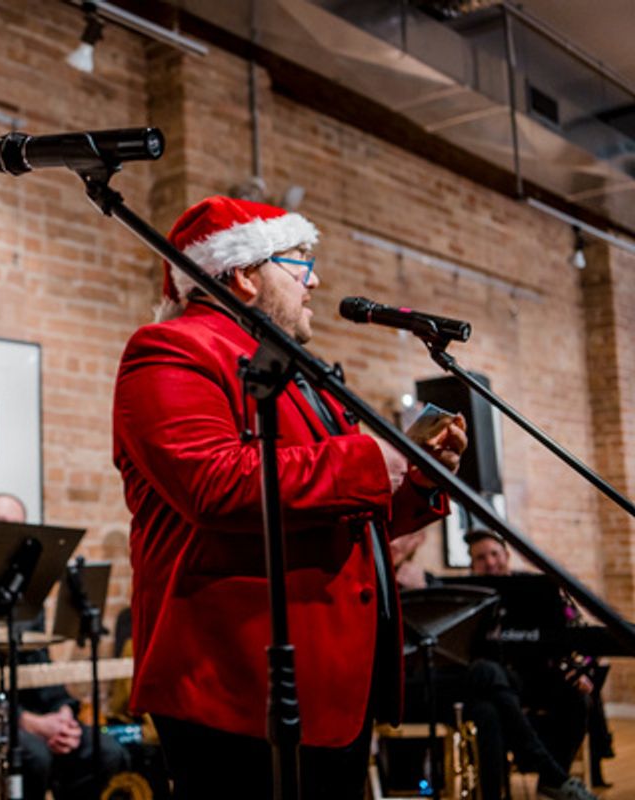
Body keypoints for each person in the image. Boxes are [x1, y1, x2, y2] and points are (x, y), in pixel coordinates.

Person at [111, 196, 468, 799]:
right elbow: (213, 484)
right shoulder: (170, 348)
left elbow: (346, 509)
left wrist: (419, 479)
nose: (316, 280)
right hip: (236, 684)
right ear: (246, 274)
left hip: (329, 684)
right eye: (301, 262)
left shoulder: (295, 369)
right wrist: (371, 461)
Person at [0, 493, 129, 800]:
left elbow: (40, 669)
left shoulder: (28, 601)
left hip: (36, 718)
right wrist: (30, 722)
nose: (9, 532)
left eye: (18, 526)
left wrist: (62, 714)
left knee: (106, 751)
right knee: (34, 756)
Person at [459, 529, 604, 799]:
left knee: (578, 699)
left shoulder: (539, 588)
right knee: (488, 706)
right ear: (472, 565)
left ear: (506, 555)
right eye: (481, 558)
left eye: (494, 554)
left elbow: (576, 630)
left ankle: (551, 776)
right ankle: (552, 776)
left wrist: (580, 669)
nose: (490, 562)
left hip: (538, 679)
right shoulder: (466, 597)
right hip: (492, 685)